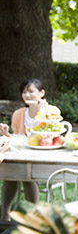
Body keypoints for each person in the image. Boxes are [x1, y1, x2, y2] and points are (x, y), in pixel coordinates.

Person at [1, 79, 46, 220]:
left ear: (42, 93)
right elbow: (17, 139)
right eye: (24, 92)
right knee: (10, 175)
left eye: (31, 91)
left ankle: (33, 216)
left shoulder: (50, 112)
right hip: (21, 155)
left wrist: (41, 112)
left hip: (41, 157)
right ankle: (4, 216)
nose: (27, 95)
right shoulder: (19, 114)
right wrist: (6, 134)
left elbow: (47, 137)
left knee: (28, 177)